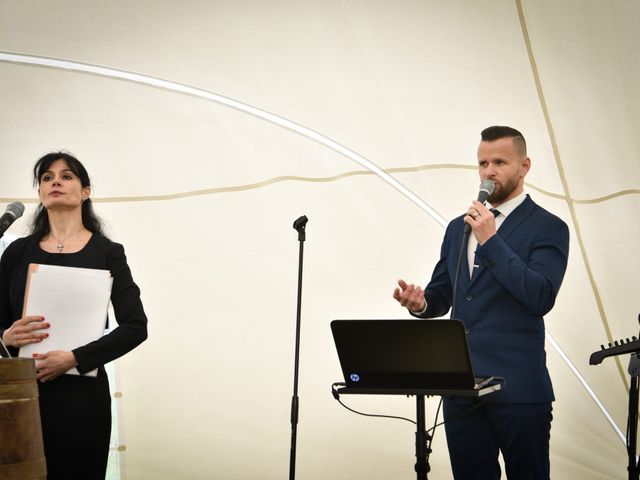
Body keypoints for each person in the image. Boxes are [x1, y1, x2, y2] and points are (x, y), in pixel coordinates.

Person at [393, 126, 569, 479]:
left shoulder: (549, 227)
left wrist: (491, 240)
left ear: (525, 166)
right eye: (482, 163)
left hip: (518, 389)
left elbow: (540, 296)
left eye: (500, 162)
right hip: (462, 387)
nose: (489, 171)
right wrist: (420, 304)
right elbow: (442, 295)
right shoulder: (459, 227)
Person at [0, 152, 148, 479]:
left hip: (84, 399)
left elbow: (136, 326)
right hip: (21, 394)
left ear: (85, 191)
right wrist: (5, 337)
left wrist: (74, 358)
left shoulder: (108, 253)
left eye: (66, 176)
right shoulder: (16, 253)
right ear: (39, 193)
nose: (55, 181)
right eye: (47, 177)